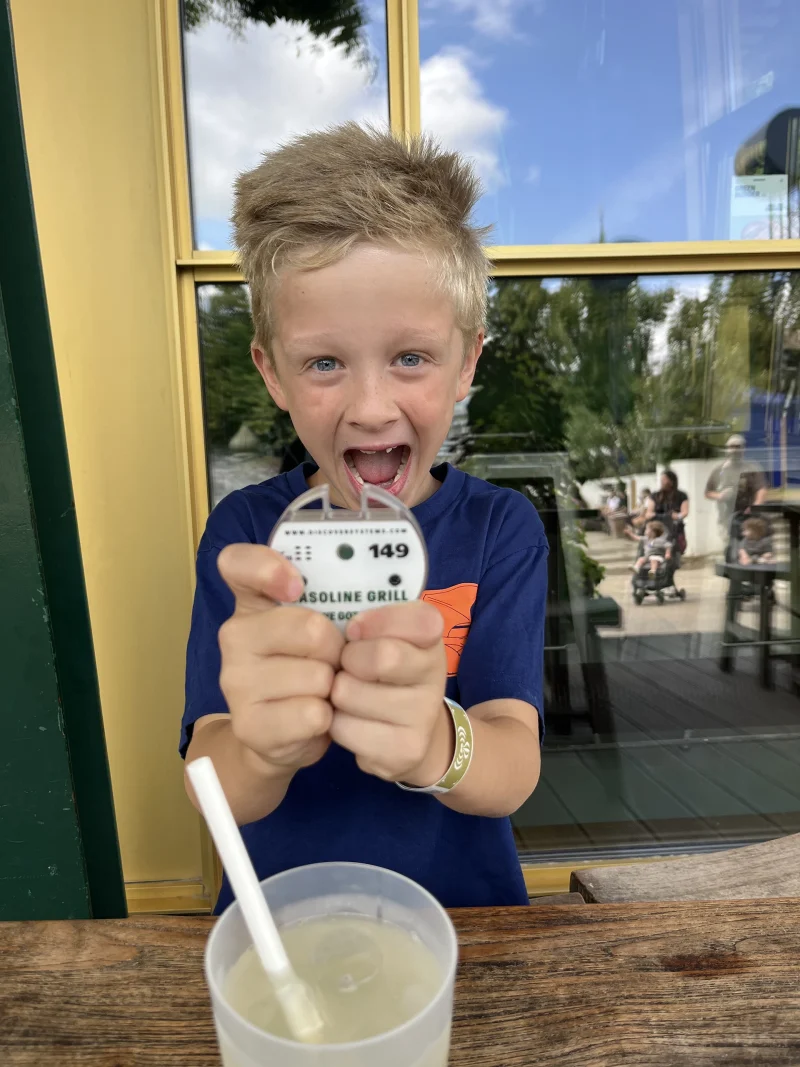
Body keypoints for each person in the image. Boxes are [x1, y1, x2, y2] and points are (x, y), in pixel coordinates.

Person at [180, 124, 548, 913]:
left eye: (411, 356)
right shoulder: (245, 534)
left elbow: (515, 758)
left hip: (467, 923)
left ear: (468, 363)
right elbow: (212, 782)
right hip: (282, 923)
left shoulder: (500, 528)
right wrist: (261, 749)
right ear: (271, 370)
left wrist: (435, 745)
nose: (372, 406)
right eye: (324, 362)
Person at [705, 434, 768, 562]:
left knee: (750, 546)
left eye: (738, 447)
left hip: (748, 516)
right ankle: (733, 575)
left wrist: (756, 507)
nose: (734, 450)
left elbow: (762, 489)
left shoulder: (752, 468)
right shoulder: (720, 470)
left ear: (743, 449)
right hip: (727, 517)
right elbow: (708, 492)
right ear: (727, 449)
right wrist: (720, 495)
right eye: (731, 447)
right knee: (731, 547)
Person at [647, 470, 689, 556]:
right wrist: (656, 515)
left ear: (671, 481)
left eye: (664, 479)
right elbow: (648, 513)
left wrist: (677, 515)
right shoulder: (655, 495)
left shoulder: (681, 495)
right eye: (661, 479)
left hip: (673, 527)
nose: (662, 481)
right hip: (657, 526)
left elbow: (685, 512)